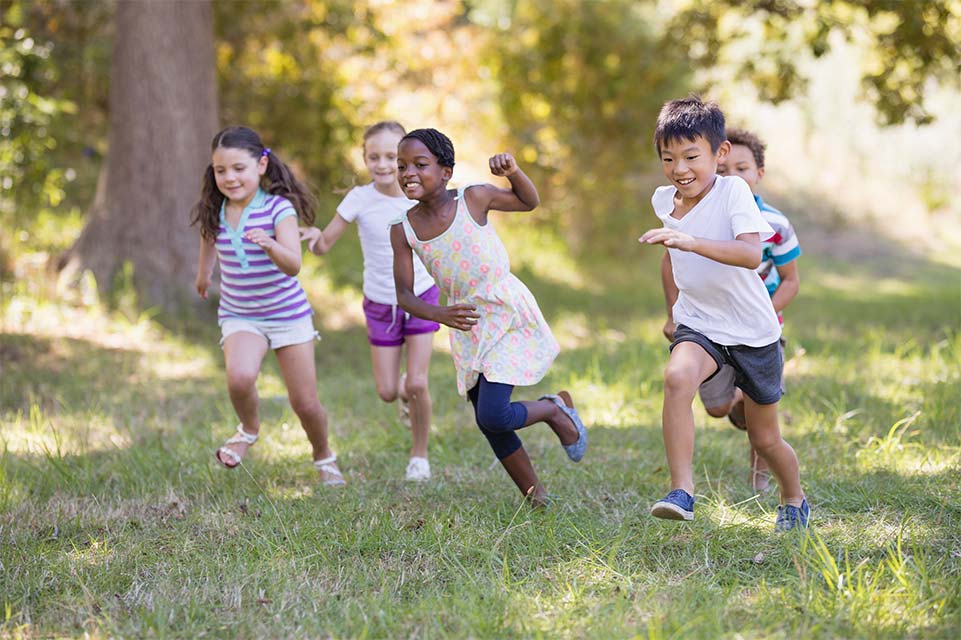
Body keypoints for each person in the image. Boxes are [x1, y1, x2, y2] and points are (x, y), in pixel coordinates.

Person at [389, 128, 587, 507]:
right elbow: (404, 296)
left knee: (495, 413)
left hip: (505, 311)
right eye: (402, 166)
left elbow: (528, 201)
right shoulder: (403, 229)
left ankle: (552, 409)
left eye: (419, 164)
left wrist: (513, 172)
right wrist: (439, 313)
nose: (408, 173)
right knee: (487, 420)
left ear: (446, 171)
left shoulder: (473, 198)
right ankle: (536, 497)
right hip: (467, 322)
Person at [639, 97, 808, 530]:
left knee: (765, 438)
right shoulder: (664, 202)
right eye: (669, 158)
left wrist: (691, 241)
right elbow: (671, 261)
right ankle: (683, 491)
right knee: (677, 377)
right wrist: (673, 311)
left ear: (720, 153)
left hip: (753, 331)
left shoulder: (733, 191)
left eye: (692, 156)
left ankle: (794, 498)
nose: (680, 169)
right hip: (701, 323)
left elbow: (751, 254)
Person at [192, 125, 345, 486]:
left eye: (238, 169)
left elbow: (293, 265)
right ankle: (248, 429)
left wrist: (271, 245)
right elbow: (208, 241)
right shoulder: (216, 210)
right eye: (220, 170)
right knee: (240, 377)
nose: (229, 178)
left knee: (305, 403)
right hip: (240, 313)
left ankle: (324, 456)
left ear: (261, 165)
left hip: (288, 316)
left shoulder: (279, 209)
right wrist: (203, 275)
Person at [299, 121, 440, 482]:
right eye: (373, 157)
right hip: (380, 302)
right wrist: (313, 237)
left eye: (392, 157)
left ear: (405, 158)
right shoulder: (360, 199)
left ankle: (419, 457)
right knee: (388, 391)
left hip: (421, 295)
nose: (382, 164)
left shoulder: (420, 195)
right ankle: (406, 390)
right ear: (364, 158)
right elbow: (325, 244)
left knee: (418, 384)